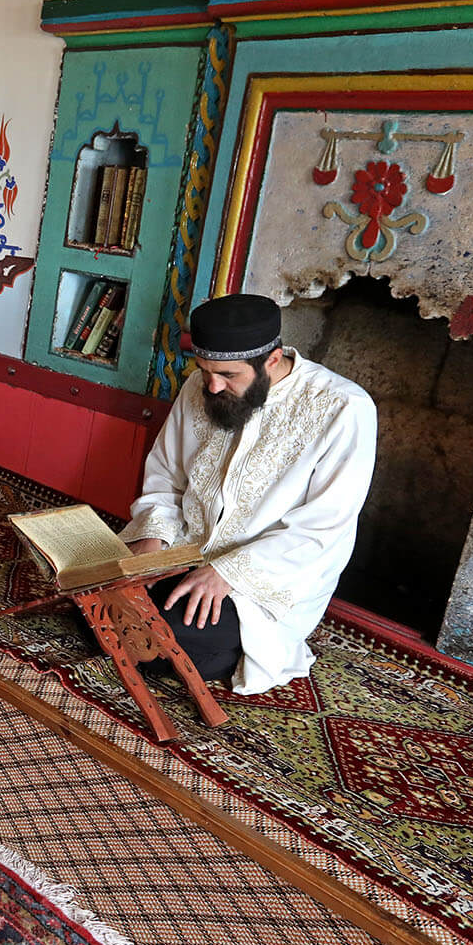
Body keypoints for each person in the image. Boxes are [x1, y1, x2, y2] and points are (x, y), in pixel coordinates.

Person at [120, 293, 377, 694]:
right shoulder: (201, 386)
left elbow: (323, 529)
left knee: (161, 634)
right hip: (183, 551)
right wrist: (152, 541)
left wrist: (226, 573)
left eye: (228, 375)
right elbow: (166, 475)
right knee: (99, 597)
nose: (212, 385)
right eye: (204, 370)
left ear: (272, 360)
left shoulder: (344, 408)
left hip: (261, 583)